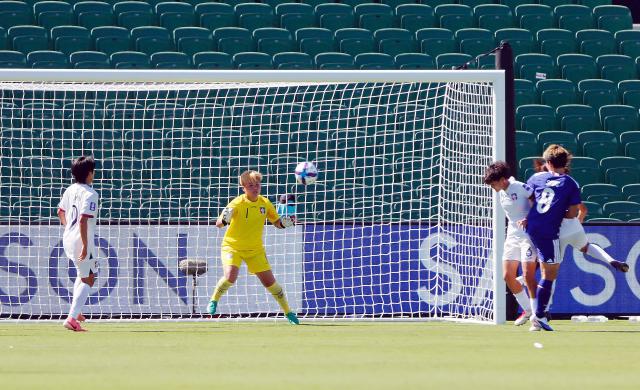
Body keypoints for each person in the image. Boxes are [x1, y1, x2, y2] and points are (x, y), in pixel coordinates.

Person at [207, 170, 299, 325]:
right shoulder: (237, 203)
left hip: (255, 250)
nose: (255, 188)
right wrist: (224, 219)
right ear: (243, 187)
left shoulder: (265, 203)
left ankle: (288, 312)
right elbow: (218, 223)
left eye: (257, 184)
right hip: (232, 246)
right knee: (230, 276)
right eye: (250, 185)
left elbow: (277, 223)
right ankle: (214, 300)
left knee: (271, 283)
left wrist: (287, 222)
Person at [524, 145, 581, 331]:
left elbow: (529, 200)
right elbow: (573, 214)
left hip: (530, 227)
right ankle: (539, 315)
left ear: (548, 163)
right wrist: (557, 211)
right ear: (566, 163)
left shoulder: (535, 178)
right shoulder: (570, 183)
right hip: (548, 231)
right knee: (550, 273)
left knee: (541, 269)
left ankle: (538, 315)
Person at [484, 162, 537, 326]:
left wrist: (529, 218)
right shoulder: (501, 192)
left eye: (493, 184)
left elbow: (538, 202)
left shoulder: (520, 187)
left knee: (528, 275)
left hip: (528, 234)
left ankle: (538, 315)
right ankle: (528, 310)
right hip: (512, 235)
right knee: (507, 276)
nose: (492, 187)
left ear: (502, 179)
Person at [57, 156, 99, 332]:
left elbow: (60, 211)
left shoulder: (70, 189)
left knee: (82, 274)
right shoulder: (91, 194)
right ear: (89, 173)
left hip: (68, 237)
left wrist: (69, 229)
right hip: (80, 240)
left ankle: (77, 310)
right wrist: (83, 243)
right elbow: (83, 220)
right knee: (90, 277)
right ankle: (72, 319)